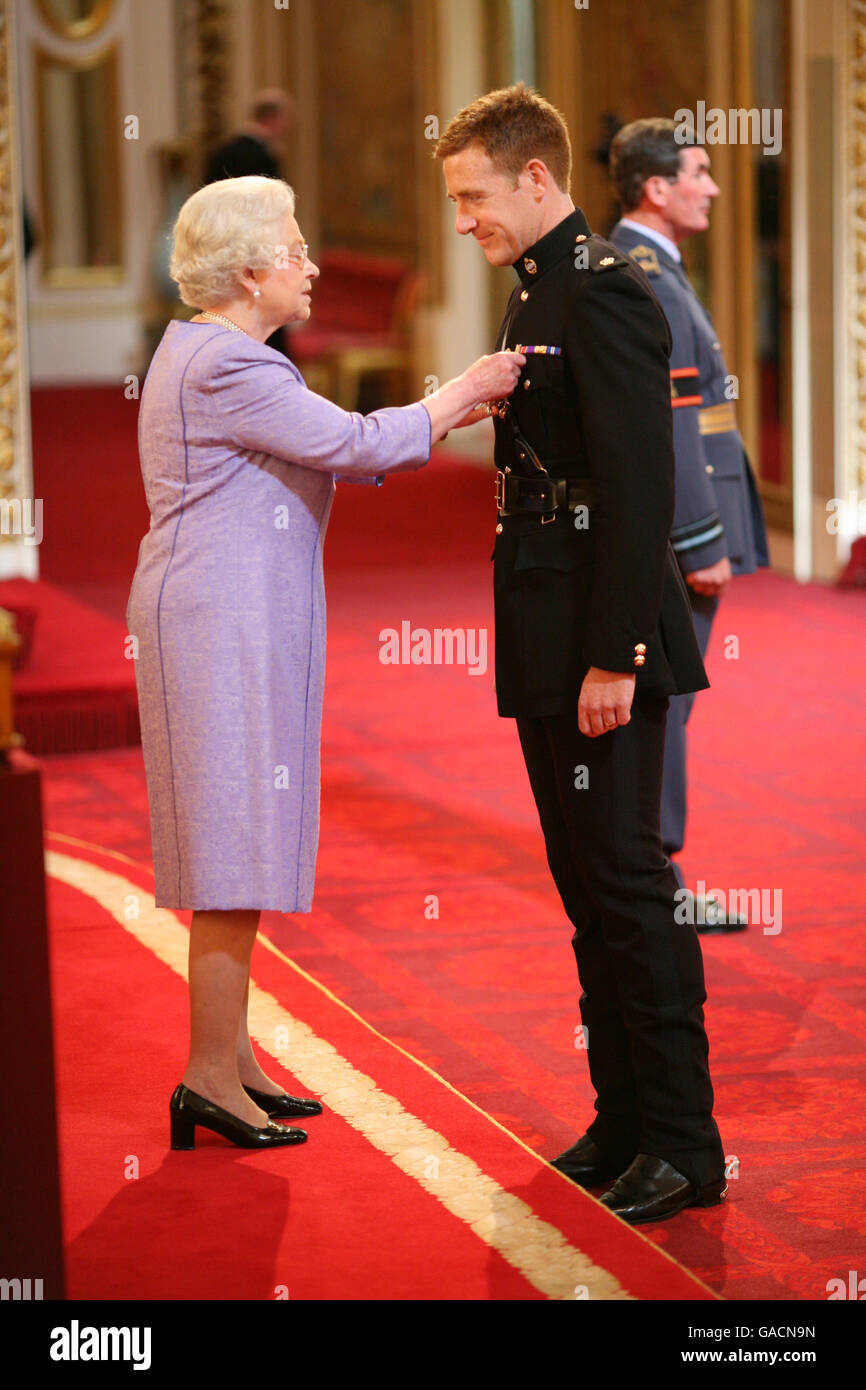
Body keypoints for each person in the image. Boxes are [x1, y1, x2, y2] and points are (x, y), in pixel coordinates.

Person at [125, 175, 523, 1153]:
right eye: (296, 249)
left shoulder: (216, 352)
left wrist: (433, 421)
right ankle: (208, 1076)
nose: (308, 266)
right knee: (227, 847)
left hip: (227, 614)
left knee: (243, 837)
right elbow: (344, 441)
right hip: (217, 620)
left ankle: (233, 1058)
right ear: (250, 270)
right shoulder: (228, 364)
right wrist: (461, 390)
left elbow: (334, 449)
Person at [435, 85, 727, 1224]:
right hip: (547, 624)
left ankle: (685, 1145)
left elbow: (639, 481)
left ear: (536, 177)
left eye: (473, 195)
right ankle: (622, 1119)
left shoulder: (604, 291)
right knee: (583, 890)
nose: (464, 218)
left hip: (601, 641)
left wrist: (616, 653)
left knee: (628, 888)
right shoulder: (531, 295)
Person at [608, 119, 769, 930]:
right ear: (656, 189)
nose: (711, 187)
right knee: (667, 703)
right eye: (698, 172)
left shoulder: (652, 265)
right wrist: (704, 543)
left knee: (665, 702)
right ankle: (656, 875)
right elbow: (673, 423)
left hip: (682, 525)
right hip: (682, 535)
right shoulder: (648, 275)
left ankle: (645, 866)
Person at [203, 90, 296, 358]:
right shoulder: (264, 157)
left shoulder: (219, 153)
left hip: (225, 251)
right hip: (260, 255)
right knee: (267, 320)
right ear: (274, 118)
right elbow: (276, 212)